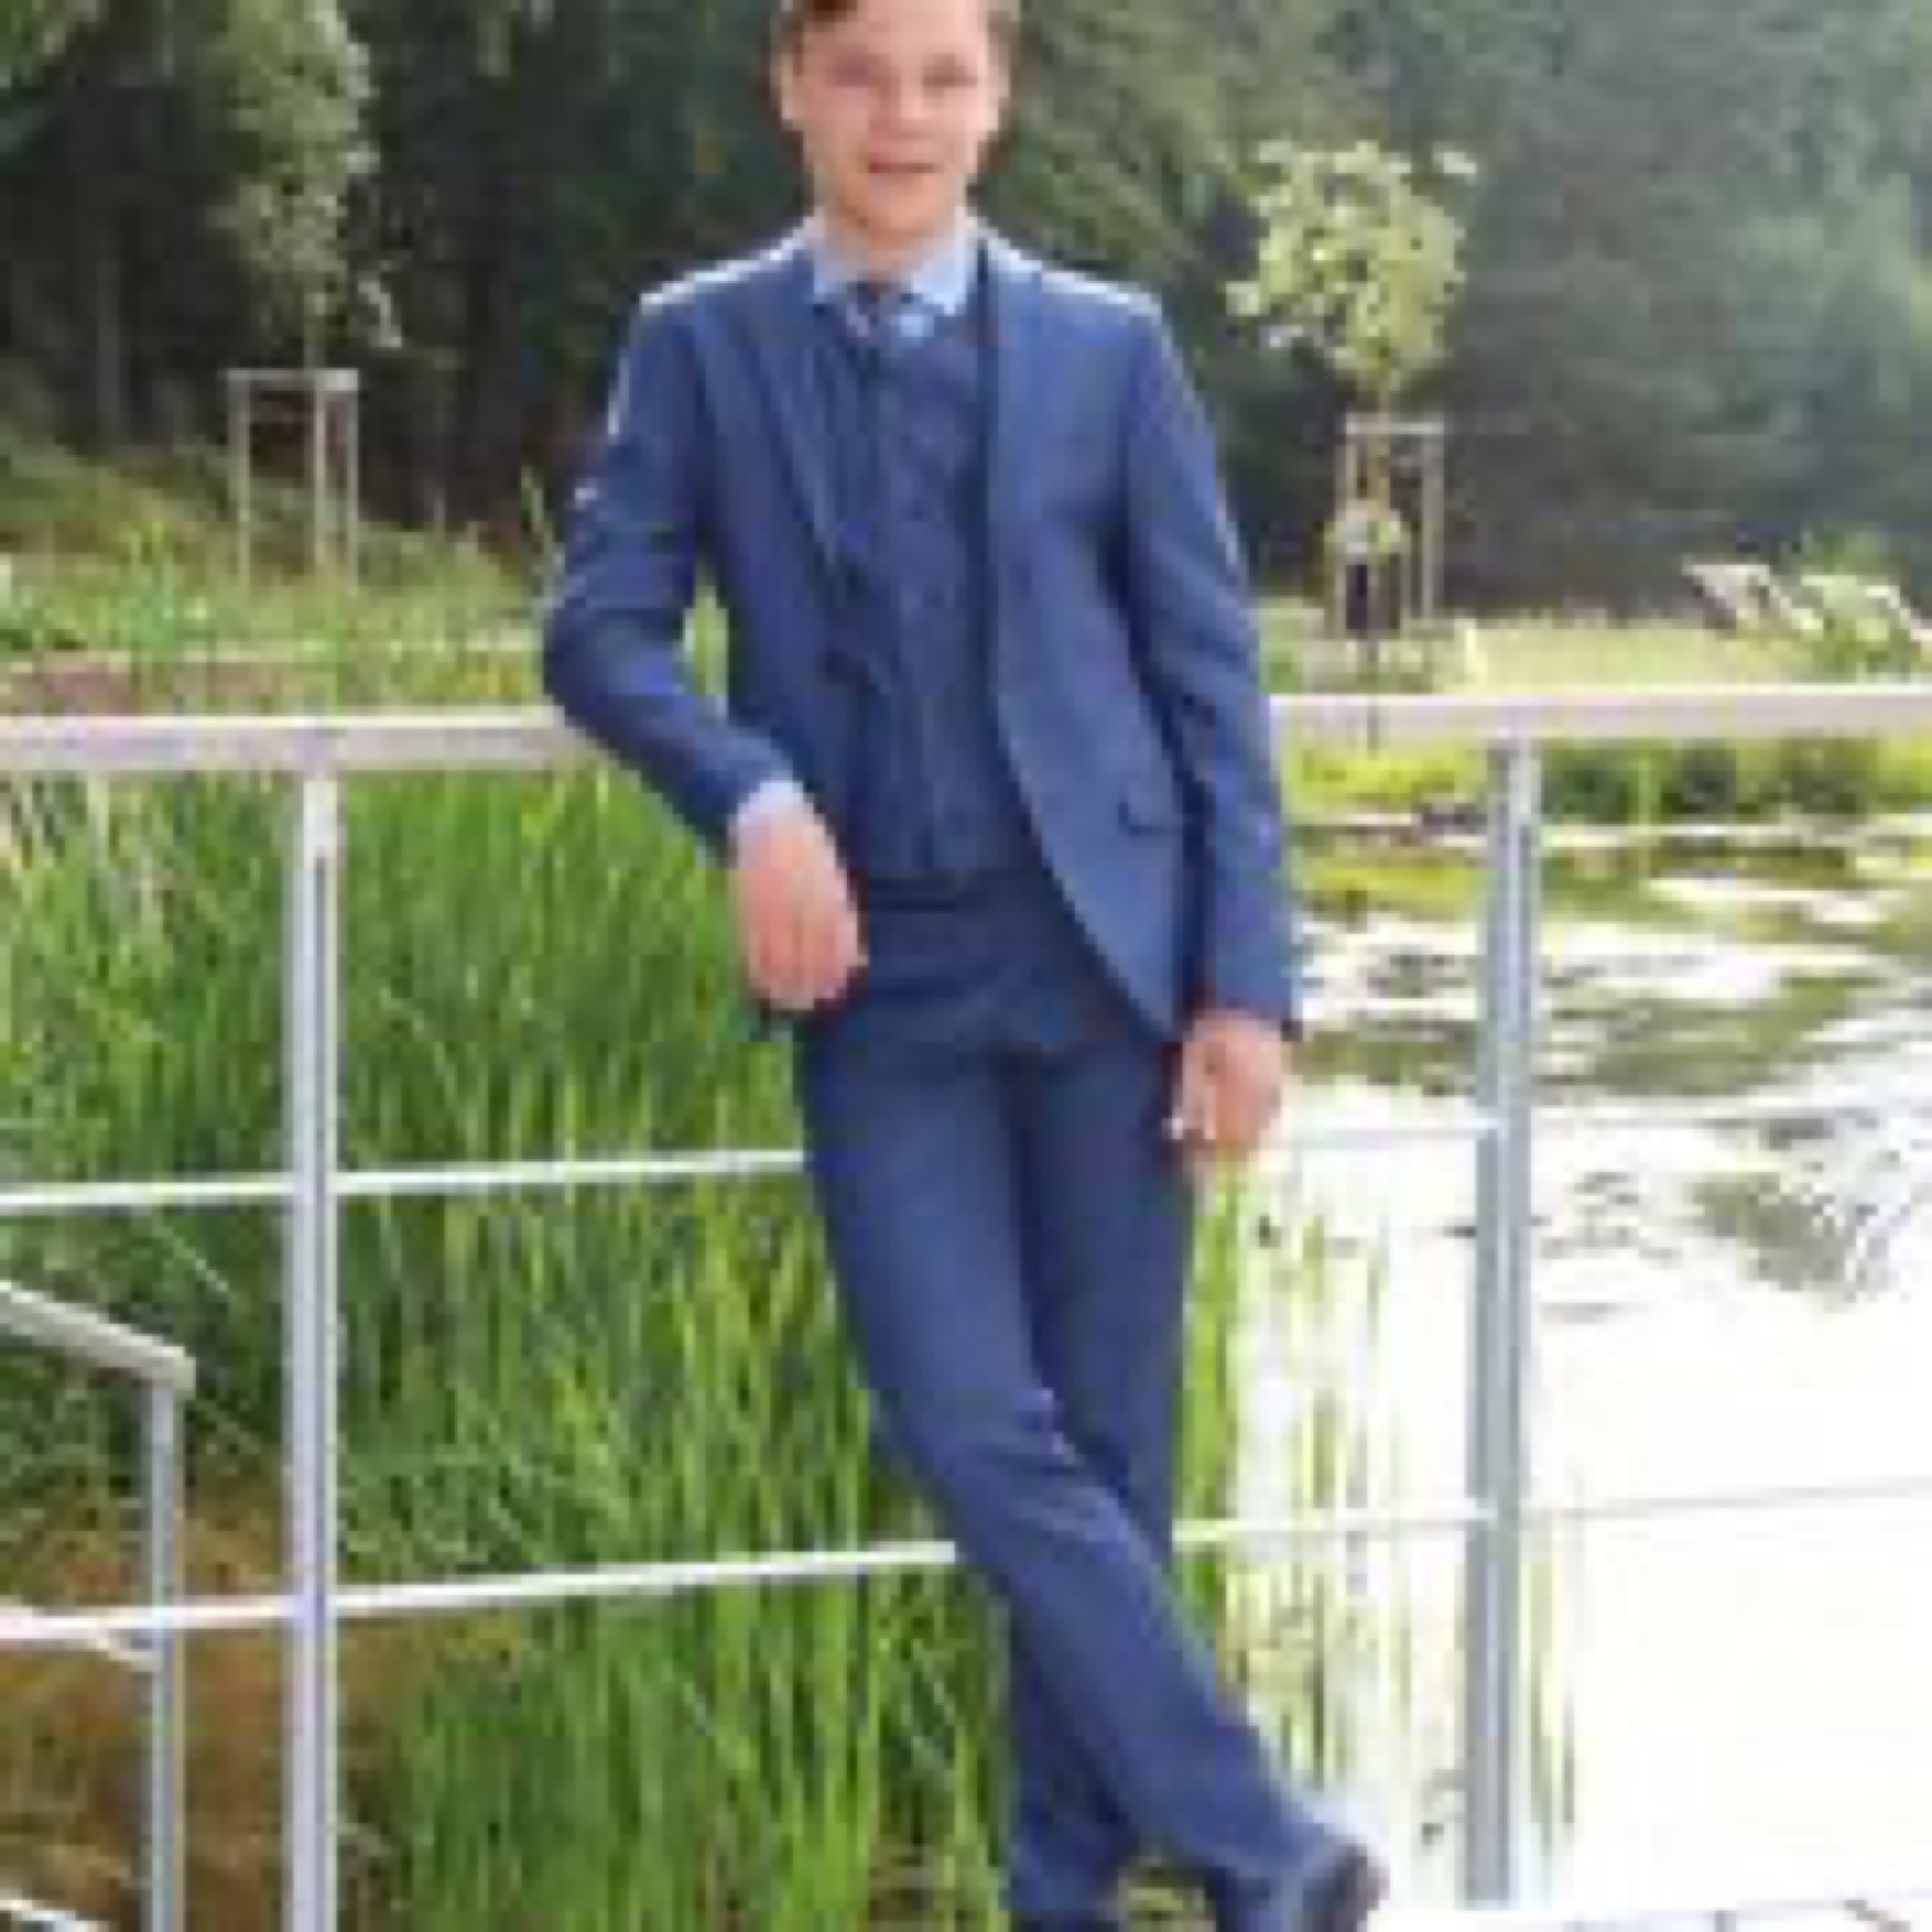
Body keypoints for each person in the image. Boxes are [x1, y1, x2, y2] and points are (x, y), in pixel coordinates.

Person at [542, 1, 1384, 1924]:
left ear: (997, 100)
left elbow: (1210, 686)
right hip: (881, 990)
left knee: (1108, 1455)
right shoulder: (700, 342)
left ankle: (1063, 1896)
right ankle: (1270, 1849)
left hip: (1109, 970)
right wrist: (749, 795)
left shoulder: (1109, 347)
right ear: (789, 84)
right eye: (860, 73)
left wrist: (1244, 987)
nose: (901, 116)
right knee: (967, 1421)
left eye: (943, 77)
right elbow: (599, 628)